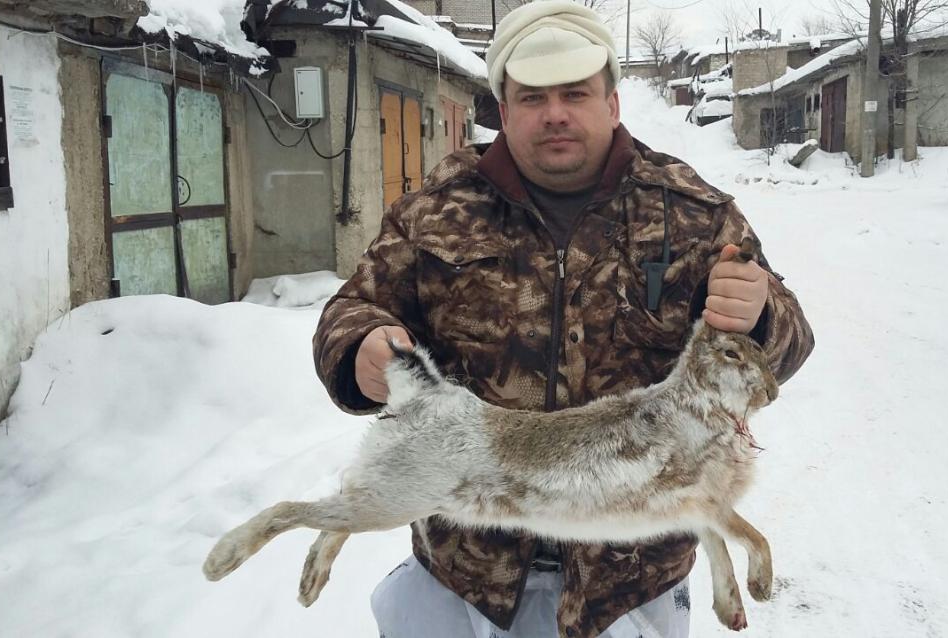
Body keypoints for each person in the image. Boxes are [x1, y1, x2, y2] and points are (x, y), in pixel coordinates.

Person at [312, 1, 814, 636]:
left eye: (575, 93)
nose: (555, 113)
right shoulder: (436, 208)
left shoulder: (692, 212)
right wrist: (359, 344)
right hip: (464, 570)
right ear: (503, 110)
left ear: (612, 104)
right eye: (532, 97)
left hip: (629, 584)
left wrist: (761, 315)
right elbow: (352, 308)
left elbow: (793, 340)